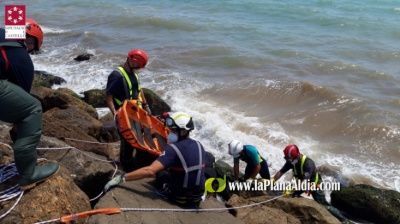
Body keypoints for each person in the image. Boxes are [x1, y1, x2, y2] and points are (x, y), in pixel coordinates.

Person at [104, 112, 206, 207]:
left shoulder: (173, 149)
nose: (169, 134)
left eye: (173, 131)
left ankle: (166, 190)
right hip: (196, 199)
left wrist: (121, 178)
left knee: (161, 172)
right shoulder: (199, 145)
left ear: (183, 131)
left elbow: (150, 171)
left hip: (178, 199)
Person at [0, 28, 59, 190]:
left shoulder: (3, 34)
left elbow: (15, 12)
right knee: (32, 109)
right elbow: (21, 113)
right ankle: (28, 174)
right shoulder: (23, 60)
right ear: (30, 43)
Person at [273, 144, 347, 222]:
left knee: (323, 205)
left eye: (291, 159)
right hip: (302, 183)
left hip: (314, 184)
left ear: (298, 154)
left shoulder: (308, 164)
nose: (290, 161)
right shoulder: (292, 161)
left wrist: (292, 188)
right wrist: (272, 181)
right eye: (288, 159)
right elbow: (281, 172)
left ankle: (343, 219)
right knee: (293, 195)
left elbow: (304, 183)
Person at [106, 48, 152, 172]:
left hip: (136, 112)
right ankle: (125, 165)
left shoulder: (134, 74)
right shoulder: (116, 76)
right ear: (132, 62)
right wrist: (114, 113)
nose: (138, 69)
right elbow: (109, 96)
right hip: (123, 115)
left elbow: (139, 90)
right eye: (137, 66)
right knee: (127, 141)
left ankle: (138, 159)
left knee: (139, 137)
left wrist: (146, 105)